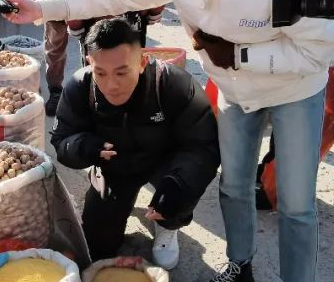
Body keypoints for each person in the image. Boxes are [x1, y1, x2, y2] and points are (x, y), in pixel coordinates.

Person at [3, 0, 334, 282]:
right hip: (237, 92)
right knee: (235, 186)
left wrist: (239, 56)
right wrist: (44, 8)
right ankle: (240, 267)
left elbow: (321, 49)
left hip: (295, 88)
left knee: (295, 203)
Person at [51, 18, 220, 269]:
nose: (111, 85)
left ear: (142, 62)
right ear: (90, 63)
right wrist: (86, 148)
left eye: (121, 72)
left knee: (179, 195)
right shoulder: (79, 86)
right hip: (114, 166)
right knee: (98, 248)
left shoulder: (174, 84)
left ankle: (167, 226)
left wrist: (179, 185)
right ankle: (108, 196)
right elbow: (62, 140)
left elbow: (203, 146)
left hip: (164, 162)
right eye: (101, 73)